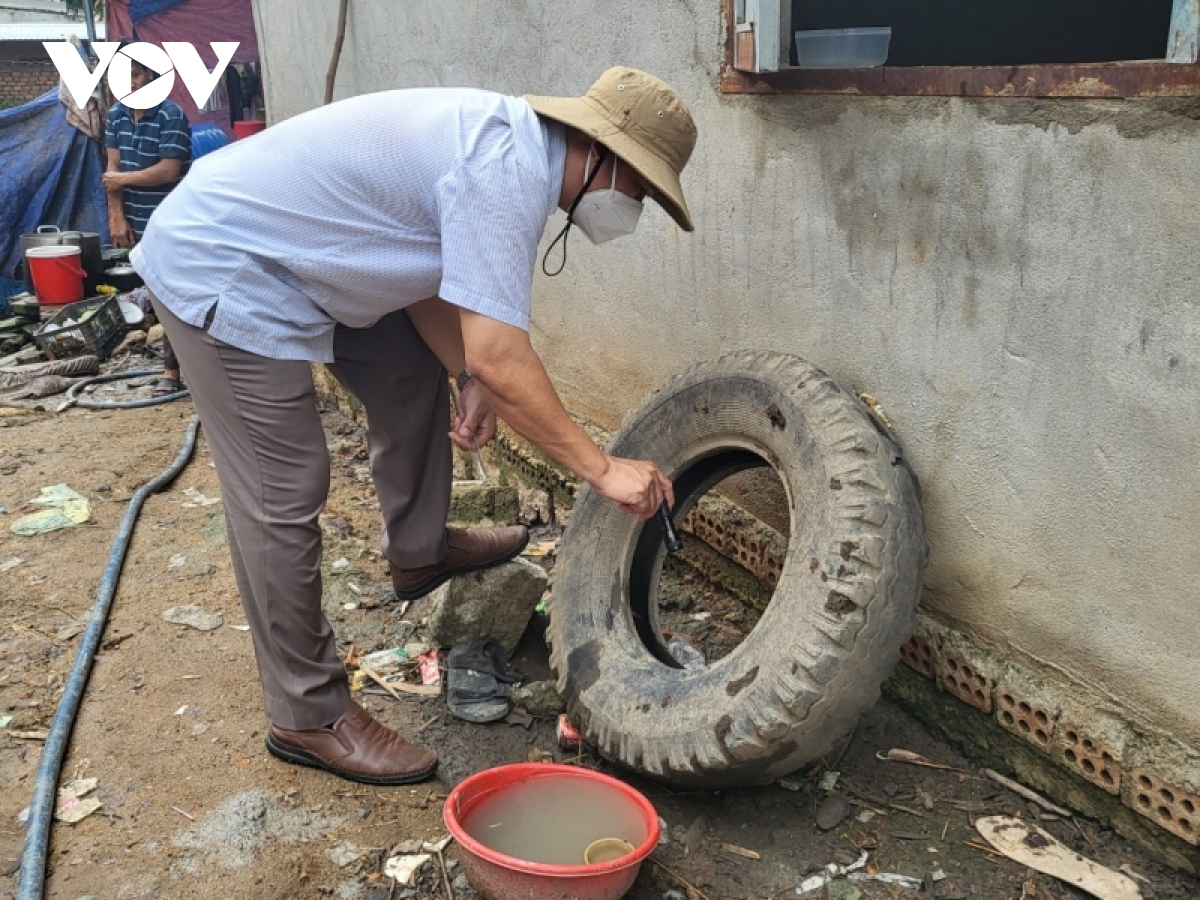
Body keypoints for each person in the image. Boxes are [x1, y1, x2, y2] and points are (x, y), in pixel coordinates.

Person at [129, 67, 697, 786]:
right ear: (605, 153)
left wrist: (465, 374)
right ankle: (306, 712)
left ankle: (420, 549)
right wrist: (602, 467)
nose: (634, 206)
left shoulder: (511, 148)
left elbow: (428, 274)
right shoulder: (505, 168)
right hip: (225, 263)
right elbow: (502, 354)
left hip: (310, 263)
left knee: (407, 375)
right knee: (283, 487)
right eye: (640, 189)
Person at [102, 43, 190, 396]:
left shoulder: (171, 115)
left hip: (171, 221)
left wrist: (121, 180)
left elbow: (168, 171)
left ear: (151, 76)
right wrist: (116, 216)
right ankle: (174, 367)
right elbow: (112, 168)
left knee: (175, 293)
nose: (130, 83)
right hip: (136, 222)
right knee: (157, 291)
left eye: (135, 74)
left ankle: (173, 373)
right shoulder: (116, 116)